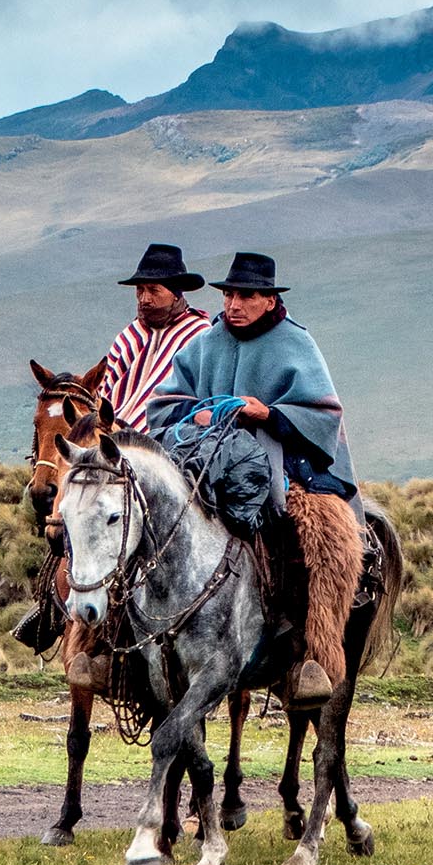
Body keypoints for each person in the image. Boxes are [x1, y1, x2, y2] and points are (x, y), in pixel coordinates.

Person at [146, 252, 361, 711]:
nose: (234, 304)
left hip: (286, 461)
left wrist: (269, 412)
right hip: (205, 460)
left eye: (245, 295)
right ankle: (113, 646)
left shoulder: (296, 343)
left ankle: (314, 653)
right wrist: (196, 411)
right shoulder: (206, 343)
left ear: (268, 299)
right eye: (228, 295)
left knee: (324, 531)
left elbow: (324, 414)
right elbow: (163, 406)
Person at [100, 243, 211, 433]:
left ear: (175, 294)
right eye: (140, 290)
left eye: (153, 290)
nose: (144, 298)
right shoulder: (131, 335)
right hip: (109, 432)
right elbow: (105, 389)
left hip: (171, 435)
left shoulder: (199, 334)